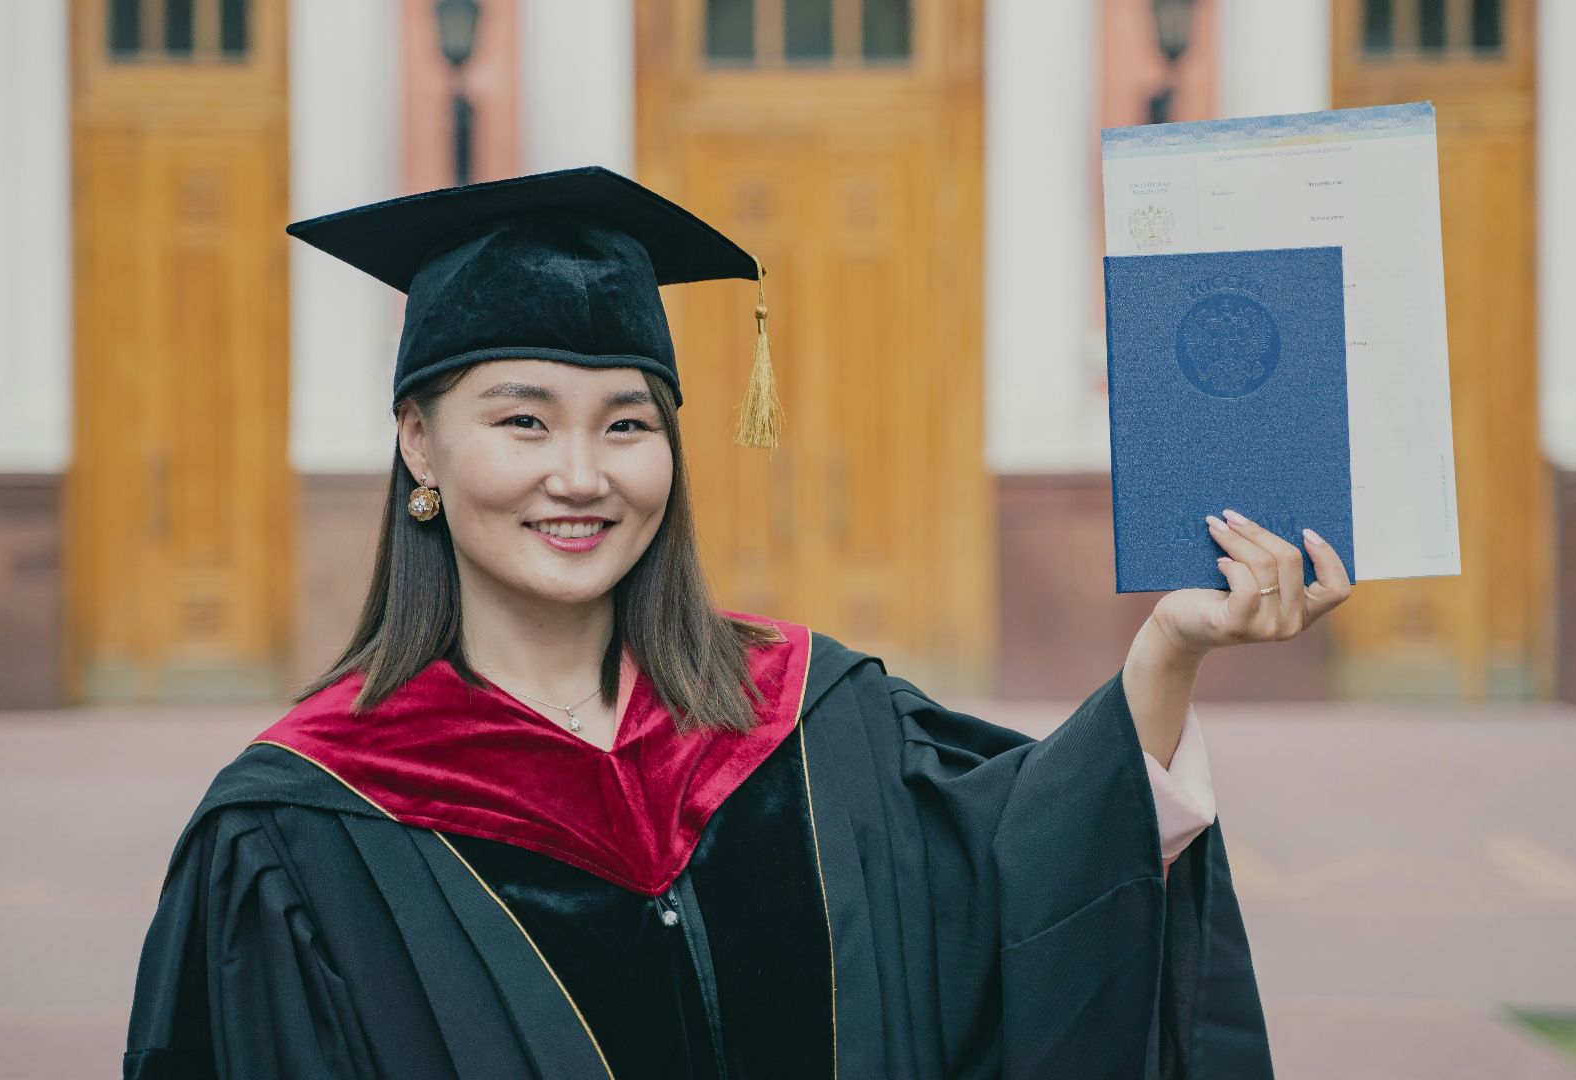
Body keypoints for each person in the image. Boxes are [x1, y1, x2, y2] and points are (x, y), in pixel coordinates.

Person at [124, 165, 1348, 1079]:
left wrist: (1169, 649)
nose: (582, 474)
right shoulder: (300, 826)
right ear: (416, 442)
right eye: (522, 420)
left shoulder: (806, 716)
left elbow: (1023, 882)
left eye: (626, 422)